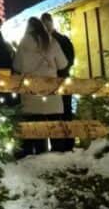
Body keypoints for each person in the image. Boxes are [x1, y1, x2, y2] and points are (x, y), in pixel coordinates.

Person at [13, 16, 69, 155]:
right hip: (51, 91)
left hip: (32, 92)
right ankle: (58, 153)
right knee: (55, 125)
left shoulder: (24, 42)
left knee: (35, 126)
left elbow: (17, 66)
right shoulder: (51, 41)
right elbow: (63, 64)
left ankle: (40, 154)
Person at [41, 12, 76, 151]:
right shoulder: (63, 39)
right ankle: (67, 144)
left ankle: (60, 145)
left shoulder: (48, 42)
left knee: (56, 113)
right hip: (63, 80)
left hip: (55, 81)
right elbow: (70, 60)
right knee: (65, 112)